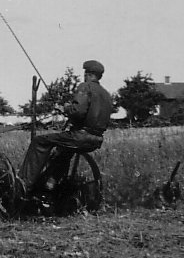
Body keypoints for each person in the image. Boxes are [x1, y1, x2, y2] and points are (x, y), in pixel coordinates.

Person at [16, 60, 113, 196]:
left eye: (85, 74)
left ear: (88, 74)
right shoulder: (106, 95)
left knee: (39, 141)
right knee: (63, 153)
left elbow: (78, 111)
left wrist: (64, 108)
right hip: (95, 140)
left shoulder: (85, 87)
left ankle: (23, 185)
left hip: (80, 136)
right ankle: (49, 184)